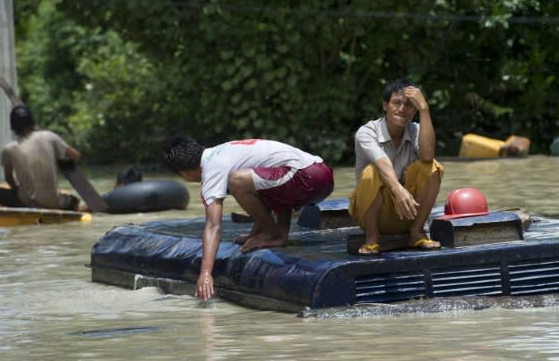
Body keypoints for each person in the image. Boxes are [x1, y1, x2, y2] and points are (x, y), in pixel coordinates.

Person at [162, 134, 334, 301]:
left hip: (306, 177)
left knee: (237, 180)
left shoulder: (211, 168)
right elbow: (270, 188)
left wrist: (205, 273)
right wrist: (254, 234)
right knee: (259, 180)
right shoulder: (220, 151)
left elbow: (213, 226)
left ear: (184, 173)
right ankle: (279, 234)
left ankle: (272, 233)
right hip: (321, 173)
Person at [348, 78, 444, 254]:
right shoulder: (367, 132)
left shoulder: (415, 130)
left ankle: (416, 231)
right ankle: (372, 237)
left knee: (432, 167)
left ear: (414, 110)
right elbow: (382, 163)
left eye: (409, 105)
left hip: (407, 211)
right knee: (372, 172)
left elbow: (428, 156)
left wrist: (424, 109)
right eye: (396, 103)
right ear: (385, 105)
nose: (402, 109)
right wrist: (398, 190)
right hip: (372, 213)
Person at [0, 105, 80, 211]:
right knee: (74, 200)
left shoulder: (9, 149)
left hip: (26, 202)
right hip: (55, 202)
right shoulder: (49, 136)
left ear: (12, 126)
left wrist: (18, 190)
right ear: (32, 122)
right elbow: (76, 155)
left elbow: (9, 178)